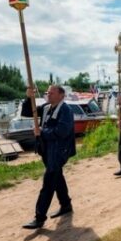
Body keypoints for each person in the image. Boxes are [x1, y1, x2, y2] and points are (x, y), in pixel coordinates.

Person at [21, 85, 76, 229]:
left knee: (49, 182)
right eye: (47, 92)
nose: (48, 95)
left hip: (59, 152)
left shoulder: (66, 110)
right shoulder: (46, 108)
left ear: (61, 95)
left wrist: (42, 132)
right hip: (47, 150)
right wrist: (29, 97)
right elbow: (27, 112)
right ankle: (66, 204)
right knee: (57, 177)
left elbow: (62, 132)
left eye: (51, 93)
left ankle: (39, 218)